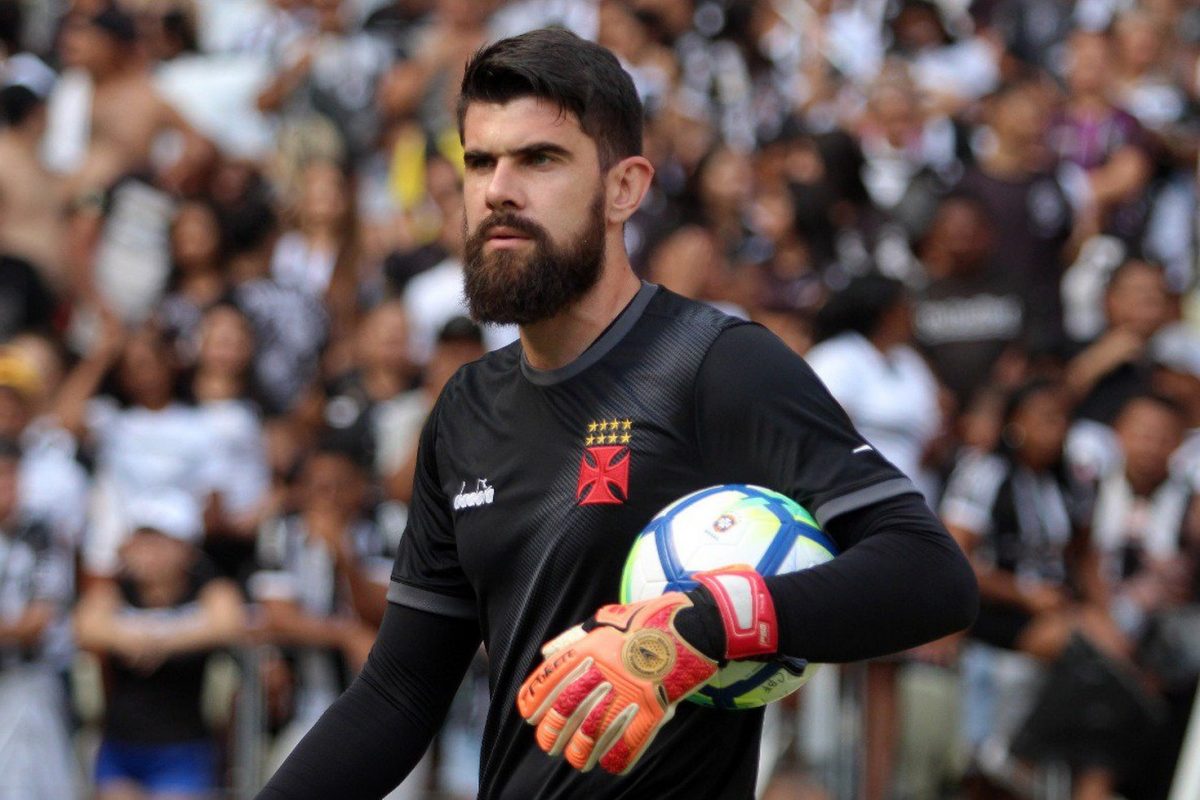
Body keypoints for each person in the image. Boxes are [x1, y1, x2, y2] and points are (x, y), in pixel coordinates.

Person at [257, 28, 977, 799]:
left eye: (540, 159)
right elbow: (398, 696)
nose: (498, 189)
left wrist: (699, 630)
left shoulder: (716, 364)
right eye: (479, 162)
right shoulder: (465, 409)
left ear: (625, 188)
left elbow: (929, 575)